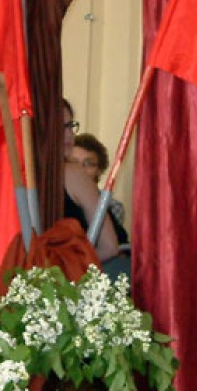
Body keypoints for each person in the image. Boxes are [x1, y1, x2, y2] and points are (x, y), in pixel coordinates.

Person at [61, 100, 125, 267]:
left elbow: (109, 247)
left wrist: (62, 269)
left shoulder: (73, 173)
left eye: (70, 126)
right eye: (61, 127)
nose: (69, 134)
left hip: (99, 270)